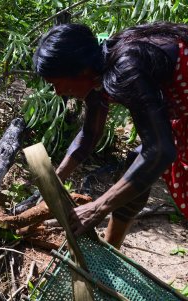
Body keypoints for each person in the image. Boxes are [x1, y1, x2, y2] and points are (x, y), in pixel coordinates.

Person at [31, 22, 188, 248]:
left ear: (79, 69)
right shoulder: (96, 73)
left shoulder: (126, 66)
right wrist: (56, 178)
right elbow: (89, 134)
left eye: (56, 83)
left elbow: (160, 151)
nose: (57, 92)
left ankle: (111, 247)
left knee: (143, 163)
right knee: (137, 164)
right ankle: (111, 248)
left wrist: (98, 207)